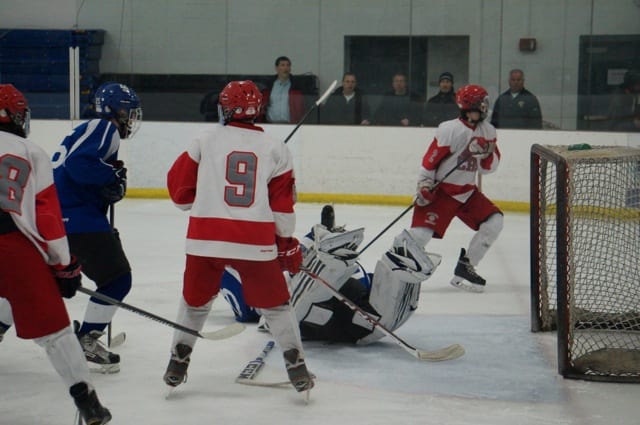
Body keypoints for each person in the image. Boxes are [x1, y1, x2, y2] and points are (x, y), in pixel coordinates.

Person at [163, 80, 314, 395]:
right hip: (254, 240)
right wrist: (286, 244)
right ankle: (295, 360)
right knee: (276, 306)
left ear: (225, 107)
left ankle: (179, 357)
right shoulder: (276, 148)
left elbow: (180, 197)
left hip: (205, 239)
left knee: (195, 302)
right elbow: (283, 208)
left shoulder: (204, 139)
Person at [0, 84, 111, 424]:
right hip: (12, 246)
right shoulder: (30, 151)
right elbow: (47, 218)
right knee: (56, 331)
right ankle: (87, 401)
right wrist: (64, 266)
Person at [220, 205, 441, 344]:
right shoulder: (247, 255)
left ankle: (331, 258)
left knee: (296, 306)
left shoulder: (228, 264)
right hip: (340, 302)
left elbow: (247, 311)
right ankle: (401, 269)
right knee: (377, 322)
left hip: (309, 308)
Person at [50, 82, 142, 374]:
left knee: (42, 282)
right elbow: (79, 165)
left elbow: (76, 171)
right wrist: (111, 175)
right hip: (78, 220)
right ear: (112, 109)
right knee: (117, 280)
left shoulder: (87, 130)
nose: (129, 118)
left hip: (56, 217)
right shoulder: (105, 128)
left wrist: (106, 184)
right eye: (126, 111)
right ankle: (87, 339)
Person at [392, 84, 503, 293]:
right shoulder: (450, 129)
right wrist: (424, 185)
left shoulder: (488, 131)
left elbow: (488, 169)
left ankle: (466, 266)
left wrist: (487, 153)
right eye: (482, 102)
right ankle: (394, 264)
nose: (486, 106)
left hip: (468, 193)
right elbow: (429, 162)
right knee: (421, 235)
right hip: (442, 193)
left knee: (495, 221)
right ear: (469, 105)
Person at [260, 56, 305, 123]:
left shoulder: (296, 86)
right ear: (277, 68)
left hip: (290, 124)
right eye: (282, 65)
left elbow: (300, 108)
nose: (285, 68)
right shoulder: (269, 86)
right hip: (270, 124)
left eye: (288, 65)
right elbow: (263, 105)